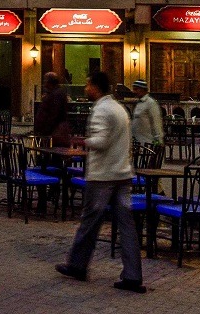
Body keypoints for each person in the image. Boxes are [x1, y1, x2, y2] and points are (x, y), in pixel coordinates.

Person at [56, 71, 147, 293]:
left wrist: (82, 141)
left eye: (88, 85)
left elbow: (102, 140)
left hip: (103, 175)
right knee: (126, 225)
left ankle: (77, 264)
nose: (86, 89)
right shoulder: (119, 108)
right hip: (123, 173)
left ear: (95, 87)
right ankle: (133, 275)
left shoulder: (101, 110)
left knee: (89, 221)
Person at [34, 72, 71, 147]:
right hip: (50, 132)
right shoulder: (54, 93)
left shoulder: (56, 95)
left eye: (45, 81)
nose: (44, 83)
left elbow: (53, 115)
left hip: (53, 134)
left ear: (49, 82)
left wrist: (45, 130)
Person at [128, 79, 163, 146]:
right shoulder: (139, 103)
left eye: (136, 89)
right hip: (138, 142)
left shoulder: (150, 103)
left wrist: (158, 141)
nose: (134, 92)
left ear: (142, 89)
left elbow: (156, 123)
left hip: (147, 142)